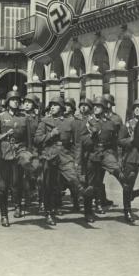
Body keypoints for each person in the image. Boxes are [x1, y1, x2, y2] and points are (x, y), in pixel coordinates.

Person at [35, 95, 91, 226]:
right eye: (51, 105)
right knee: (49, 186)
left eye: (55, 105)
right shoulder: (44, 121)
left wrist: (77, 160)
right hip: (48, 154)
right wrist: (50, 135)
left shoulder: (71, 122)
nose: (53, 107)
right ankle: (49, 213)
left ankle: (81, 191)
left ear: (61, 107)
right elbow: (37, 140)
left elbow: (77, 144)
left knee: (72, 175)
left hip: (64, 154)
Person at [83, 96, 128, 225]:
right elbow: (82, 141)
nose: (96, 108)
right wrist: (91, 135)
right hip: (92, 153)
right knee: (90, 185)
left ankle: (127, 187)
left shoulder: (110, 123)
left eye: (98, 106)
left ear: (103, 108)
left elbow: (115, 142)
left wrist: (118, 158)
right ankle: (88, 212)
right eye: (94, 106)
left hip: (106, 153)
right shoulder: (87, 121)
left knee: (117, 170)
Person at [0, 90, 26, 227]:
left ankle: (18, 205)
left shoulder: (23, 117)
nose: (15, 101)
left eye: (17, 99)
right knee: (3, 186)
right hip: (3, 154)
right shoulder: (0, 117)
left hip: (18, 153)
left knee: (17, 183)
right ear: (8, 102)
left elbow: (28, 137)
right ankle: (4, 215)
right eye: (13, 99)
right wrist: (1, 137)